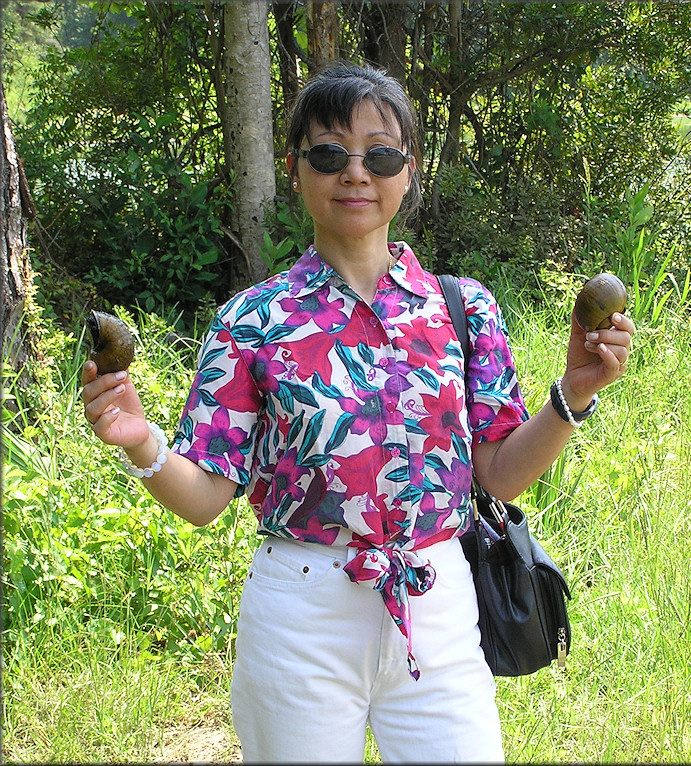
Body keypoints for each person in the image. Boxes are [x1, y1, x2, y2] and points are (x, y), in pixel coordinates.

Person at [81, 62, 634, 763]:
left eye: (379, 154)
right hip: (300, 616)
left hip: (438, 609)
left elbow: (495, 475)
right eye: (327, 153)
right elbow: (203, 498)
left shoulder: (464, 308)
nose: (355, 173)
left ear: (409, 169)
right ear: (295, 168)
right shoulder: (250, 321)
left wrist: (574, 392)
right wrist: (141, 442)